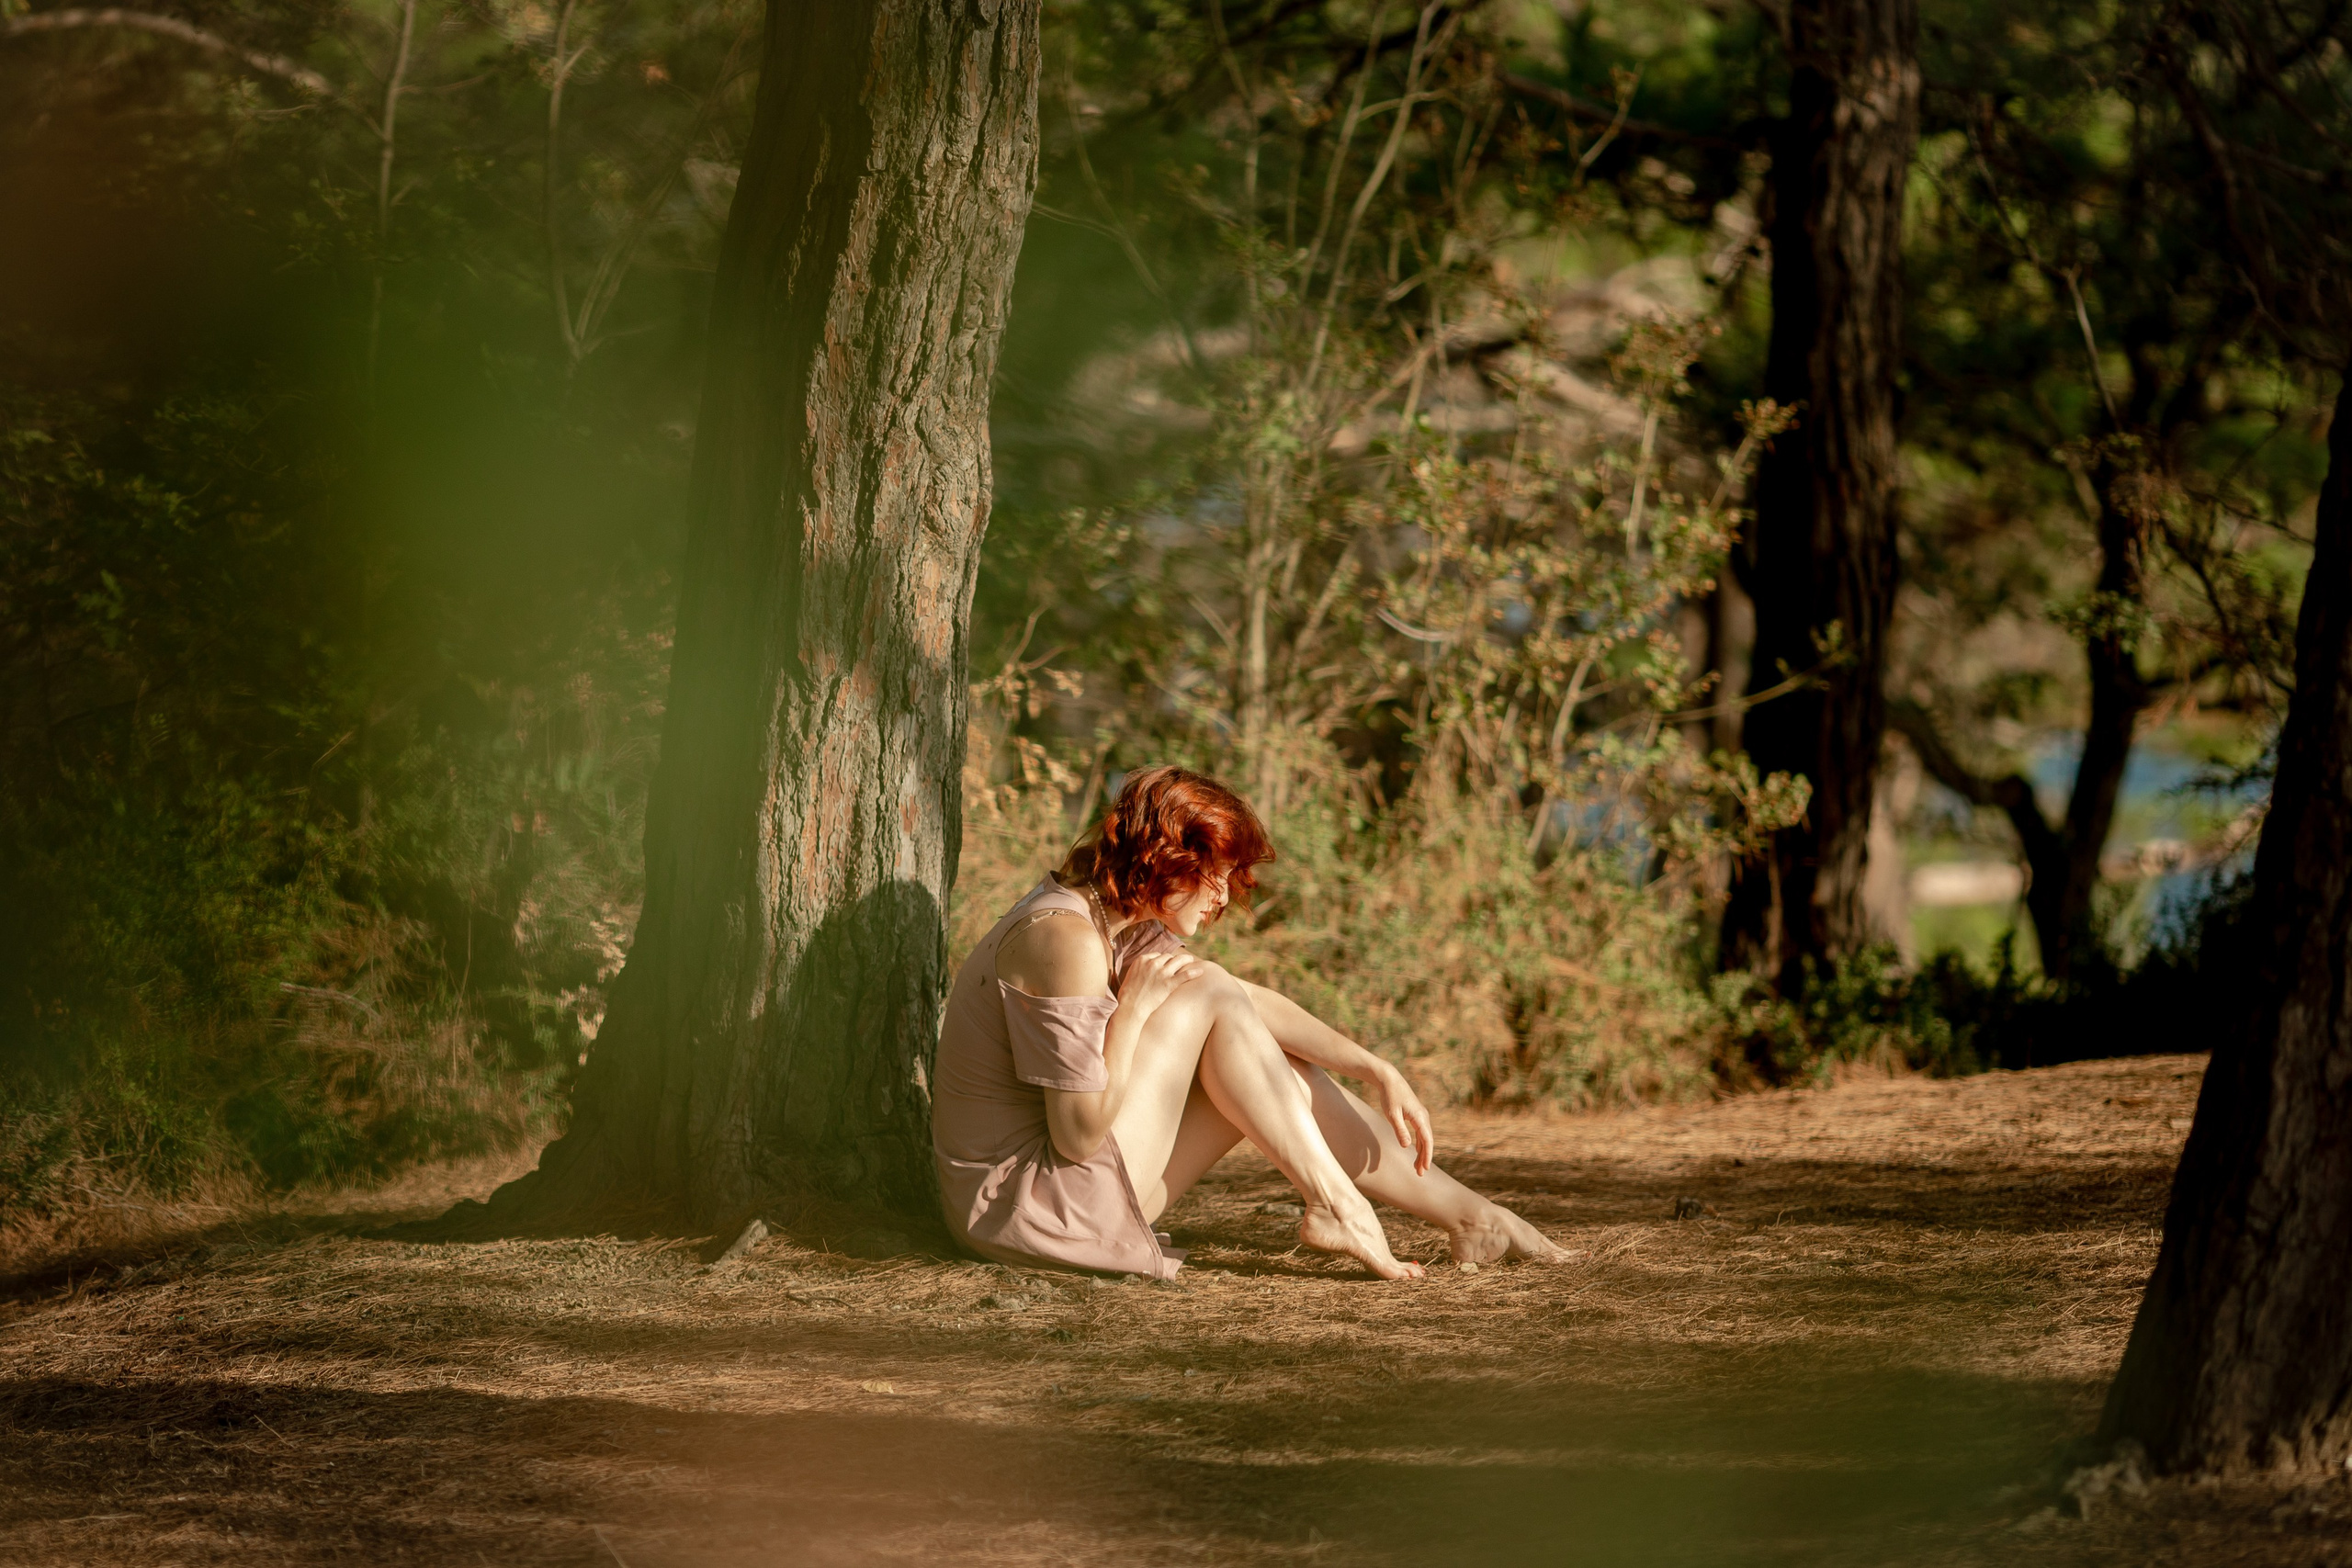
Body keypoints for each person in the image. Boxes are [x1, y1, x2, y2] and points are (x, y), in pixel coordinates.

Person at [932, 763, 1573, 1280]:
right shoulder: (1063, 938)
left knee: (1274, 1069)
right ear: (1166, 858)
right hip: (1026, 1211)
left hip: (1072, 1198)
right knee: (1210, 994)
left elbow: (1245, 1004)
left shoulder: (1119, 922)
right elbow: (1074, 1136)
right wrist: (1131, 1012)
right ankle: (1336, 1204)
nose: (1224, 894)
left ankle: (1474, 1218)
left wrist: (1374, 1067)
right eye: (1216, 872)